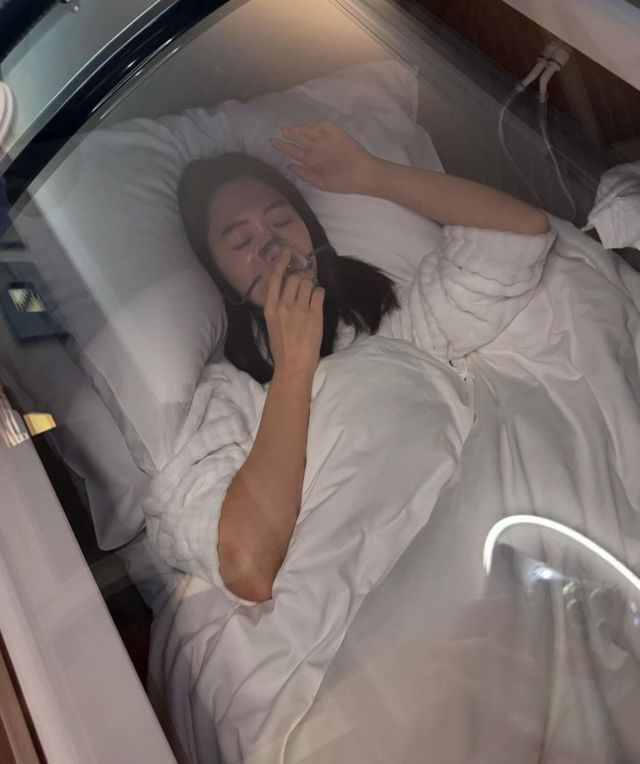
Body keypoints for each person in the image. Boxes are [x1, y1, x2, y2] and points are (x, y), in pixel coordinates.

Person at [177, 120, 550, 602]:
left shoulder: (393, 324)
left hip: (474, 538)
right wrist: (293, 369)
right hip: (374, 595)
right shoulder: (226, 399)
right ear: (221, 280)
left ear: (311, 234)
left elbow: (521, 233)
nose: (272, 247)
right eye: (240, 242)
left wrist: (372, 175)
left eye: (281, 222)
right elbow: (249, 567)